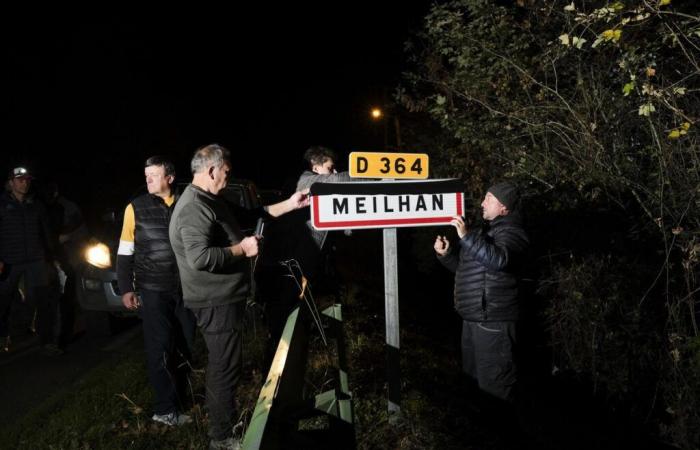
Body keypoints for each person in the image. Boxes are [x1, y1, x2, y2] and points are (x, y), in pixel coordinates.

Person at [168, 143, 309, 450]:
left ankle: (225, 427)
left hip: (225, 297)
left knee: (228, 363)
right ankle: (221, 437)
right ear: (211, 170)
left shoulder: (212, 199)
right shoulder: (194, 207)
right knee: (224, 366)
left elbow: (252, 213)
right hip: (213, 301)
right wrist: (242, 249)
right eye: (227, 172)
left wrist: (291, 204)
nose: (228, 178)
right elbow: (200, 258)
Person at [116, 155, 196, 427]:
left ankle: (181, 402)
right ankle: (164, 410)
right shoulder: (134, 208)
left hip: (186, 289)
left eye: (153, 174)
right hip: (152, 290)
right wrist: (127, 288)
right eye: (146, 174)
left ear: (170, 179)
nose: (147, 179)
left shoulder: (187, 203)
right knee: (159, 348)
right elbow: (125, 253)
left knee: (185, 344)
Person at [433, 181, 529, 405]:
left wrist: (466, 237)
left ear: (504, 207)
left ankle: (504, 437)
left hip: (494, 321)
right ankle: (483, 435)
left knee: (495, 388)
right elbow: (467, 271)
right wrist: (447, 255)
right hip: (473, 319)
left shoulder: (514, 233)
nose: (482, 203)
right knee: (473, 384)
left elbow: (500, 260)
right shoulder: (484, 232)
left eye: (488, 199)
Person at [0, 166, 62, 355]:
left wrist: (52, 258)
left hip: (36, 260)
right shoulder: (1, 204)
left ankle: (47, 342)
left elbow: (46, 234)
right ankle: (3, 338)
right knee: (3, 301)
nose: (24, 183)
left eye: (27, 180)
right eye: (20, 180)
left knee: (43, 300)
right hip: (9, 261)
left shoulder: (37, 205)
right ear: (11, 183)